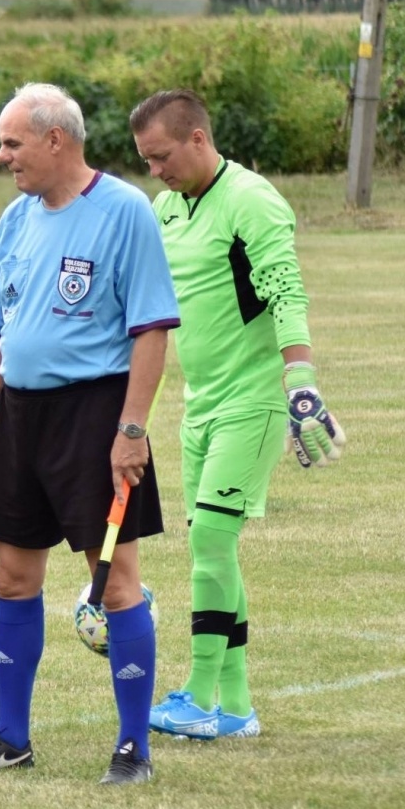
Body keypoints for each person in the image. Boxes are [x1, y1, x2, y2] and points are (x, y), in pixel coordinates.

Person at [0, 83, 178, 787]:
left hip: (94, 417)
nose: (0, 155)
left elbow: (152, 328)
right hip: (20, 416)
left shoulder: (125, 210)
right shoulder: (14, 218)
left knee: (117, 583)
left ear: (55, 140)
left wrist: (131, 429)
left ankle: (133, 745)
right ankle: (10, 735)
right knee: (13, 575)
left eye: (11, 142)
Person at [130, 89, 345, 741]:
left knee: (210, 543)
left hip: (251, 403)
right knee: (215, 548)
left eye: (162, 155)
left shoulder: (251, 200)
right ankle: (237, 705)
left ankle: (198, 695)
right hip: (199, 406)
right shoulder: (166, 209)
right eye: (144, 160)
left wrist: (300, 381)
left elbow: (284, 288)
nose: (155, 171)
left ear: (197, 138)